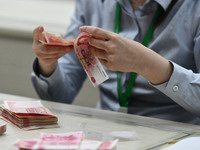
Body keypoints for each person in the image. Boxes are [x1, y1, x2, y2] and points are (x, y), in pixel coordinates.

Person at [31, 0, 200, 124]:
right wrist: (48, 63)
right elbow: (59, 98)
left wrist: (147, 65)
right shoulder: (92, 3)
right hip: (104, 132)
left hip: (175, 136)